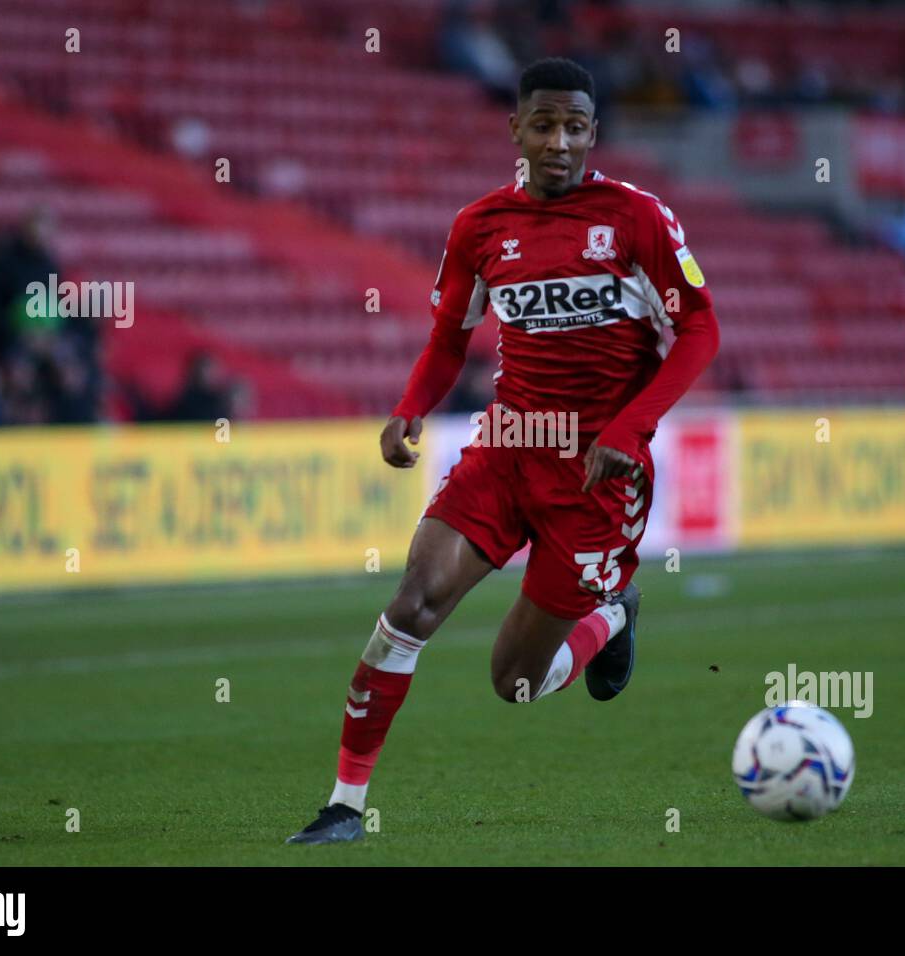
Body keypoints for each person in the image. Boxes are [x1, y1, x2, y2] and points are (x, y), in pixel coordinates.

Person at [287, 57, 719, 845]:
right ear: (515, 128)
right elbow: (449, 341)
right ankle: (344, 806)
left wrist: (631, 430)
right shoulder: (480, 227)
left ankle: (609, 619)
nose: (560, 141)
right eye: (544, 124)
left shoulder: (636, 219)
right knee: (411, 604)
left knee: (514, 684)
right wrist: (410, 408)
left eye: (576, 127)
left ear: (593, 133)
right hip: (509, 448)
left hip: (597, 475)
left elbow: (699, 330)